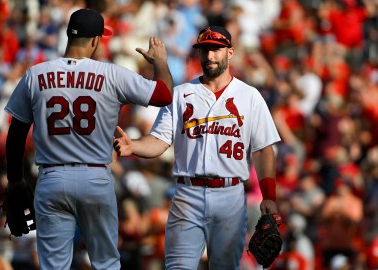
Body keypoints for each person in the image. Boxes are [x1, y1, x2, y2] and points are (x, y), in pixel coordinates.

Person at [4, 8, 173, 270]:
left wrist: (15, 182)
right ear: (95, 40)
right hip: (95, 176)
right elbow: (163, 95)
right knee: (106, 264)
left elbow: (16, 134)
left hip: (52, 178)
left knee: (54, 267)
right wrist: (159, 62)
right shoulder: (112, 74)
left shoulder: (35, 75)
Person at [114, 25, 280, 269]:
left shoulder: (249, 96)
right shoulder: (180, 94)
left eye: (216, 49)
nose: (210, 56)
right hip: (187, 194)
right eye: (205, 50)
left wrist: (270, 196)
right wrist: (134, 146)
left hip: (230, 194)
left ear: (230, 52)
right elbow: (159, 140)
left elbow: (263, 150)